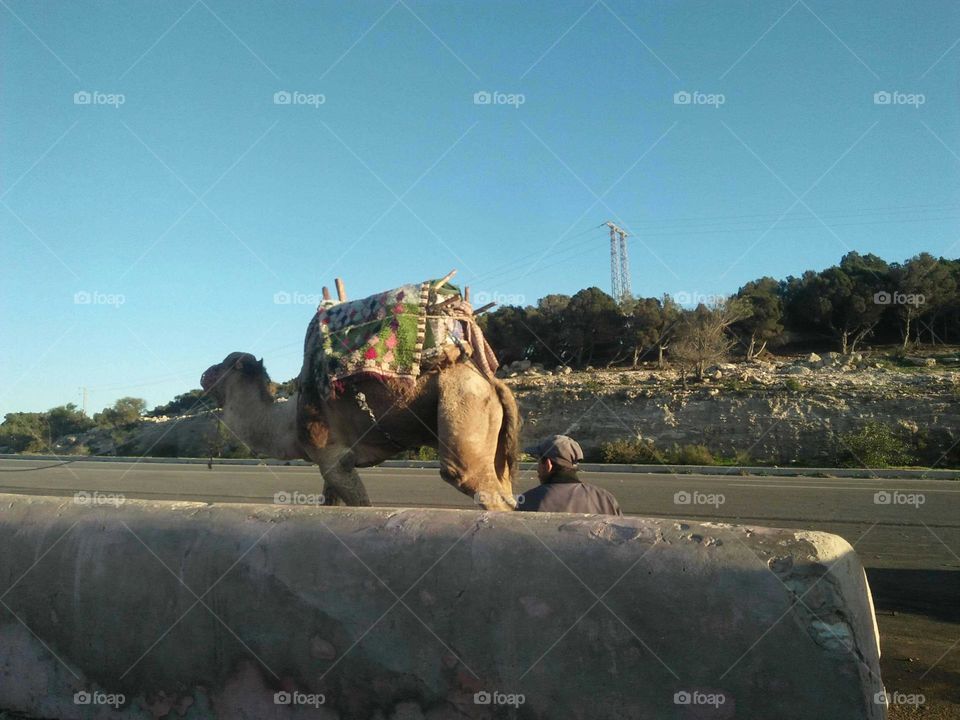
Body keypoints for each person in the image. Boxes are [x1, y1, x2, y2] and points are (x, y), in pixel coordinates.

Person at [518, 434, 622, 515]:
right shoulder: (605, 499)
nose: (537, 469)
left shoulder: (527, 501)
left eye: (539, 461)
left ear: (548, 465)